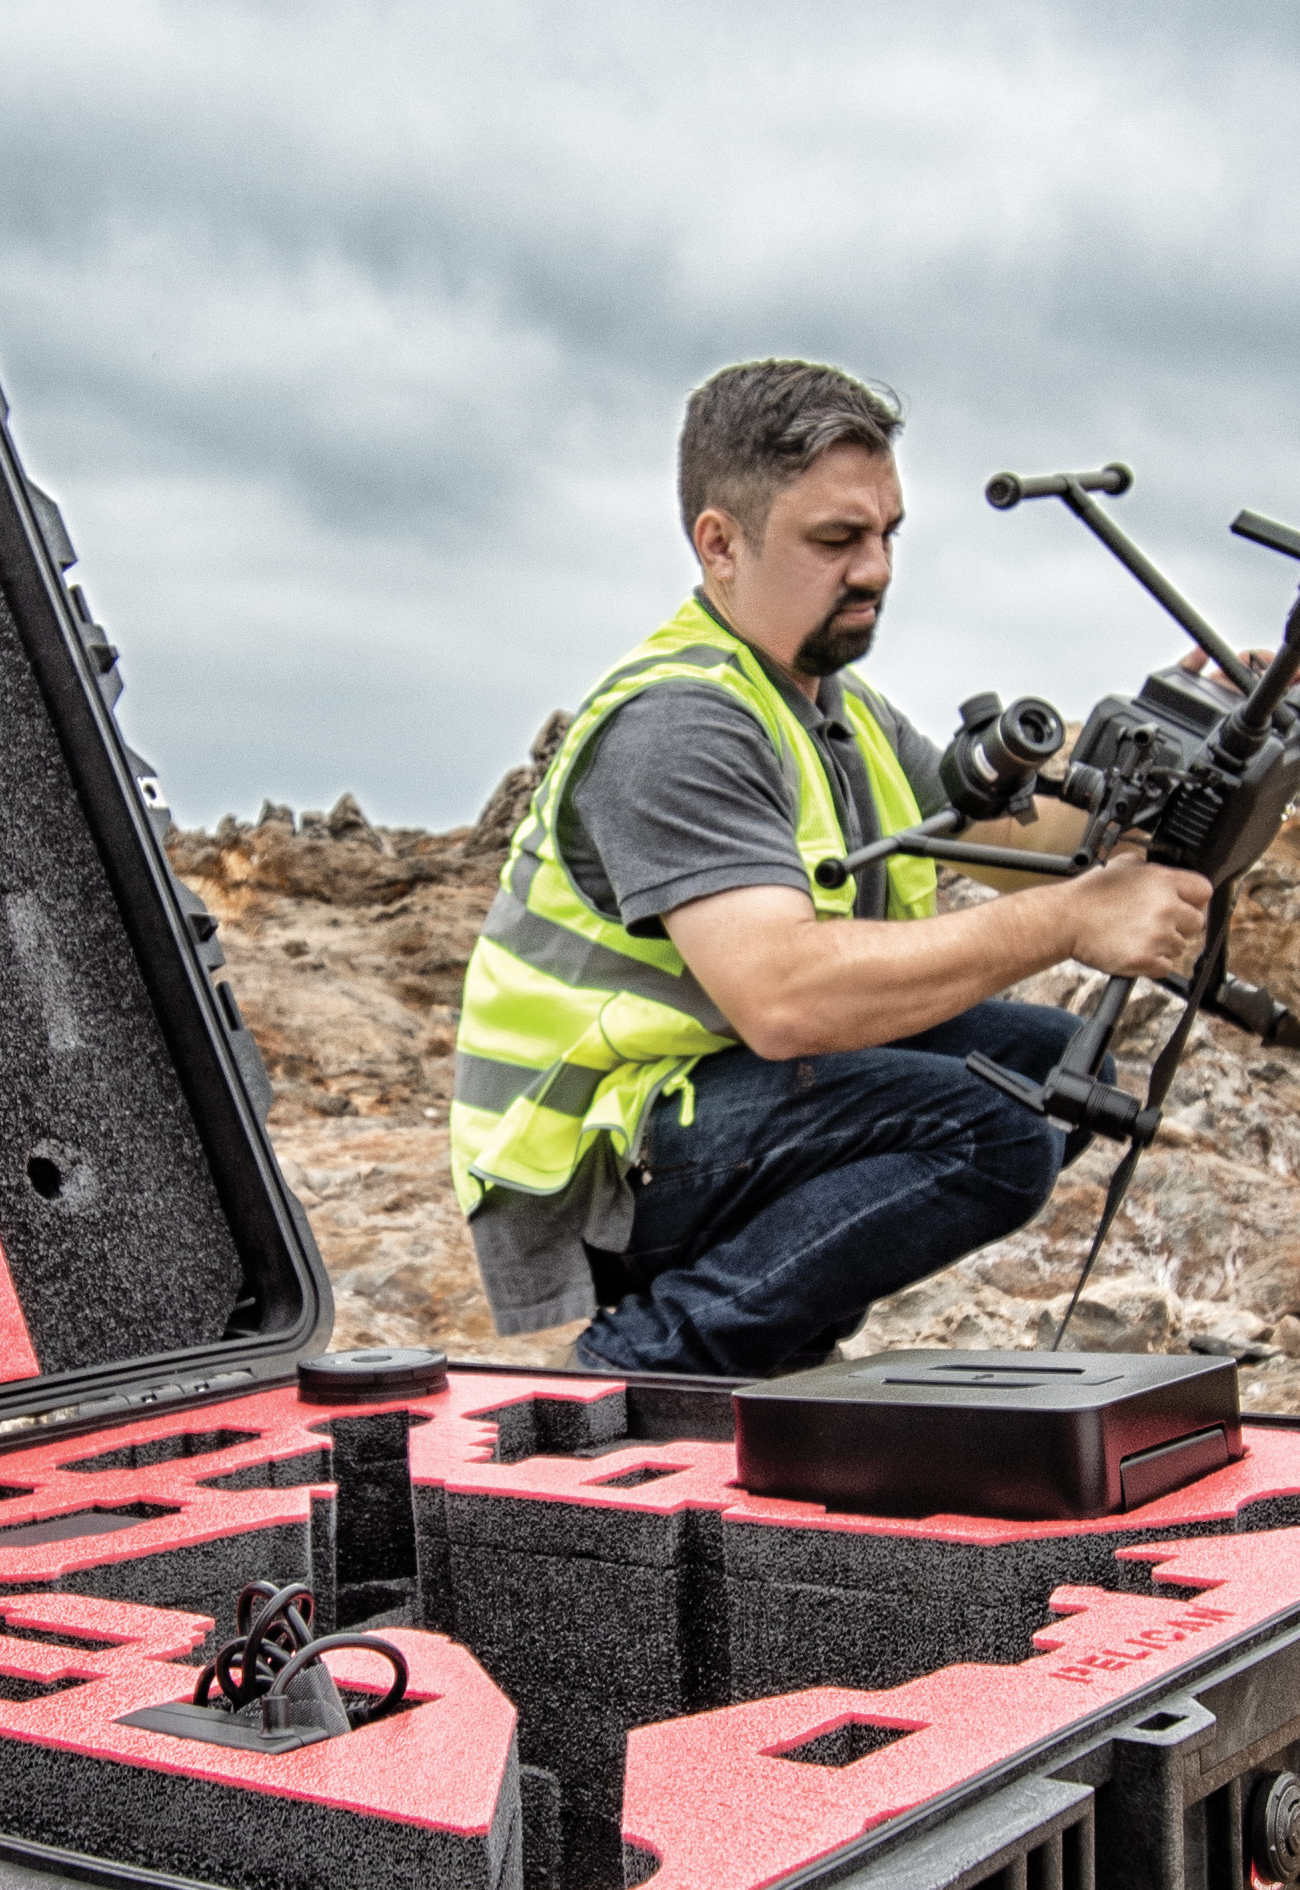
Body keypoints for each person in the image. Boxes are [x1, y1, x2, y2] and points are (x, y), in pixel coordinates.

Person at [451, 361, 1210, 1379]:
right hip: (598, 1153)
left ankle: (777, 1331)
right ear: (720, 543)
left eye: (888, 533)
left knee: (1055, 1070)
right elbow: (785, 999)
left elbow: (1035, 846)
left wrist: (1211, 754)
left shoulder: (833, 706)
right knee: (992, 1131)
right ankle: (646, 1356)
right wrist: (1072, 923)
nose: (877, 568)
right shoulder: (678, 722)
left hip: (703, 1097)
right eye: (836, 540)